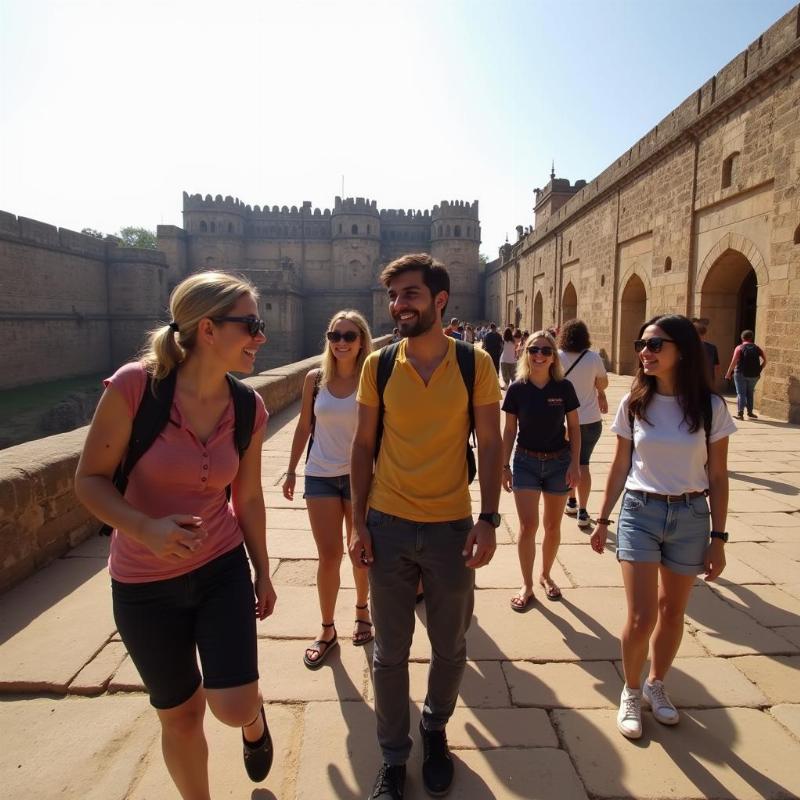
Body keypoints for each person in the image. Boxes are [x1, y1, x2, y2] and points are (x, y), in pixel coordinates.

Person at [74, 271, 276, 798]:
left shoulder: (247, 407)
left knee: (232, 707)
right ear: (208, 329)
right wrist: (144, 528)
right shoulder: (135, 387)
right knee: (181, 716)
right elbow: (88, 480)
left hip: (220, 567)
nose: (261, 336)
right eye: (251, 324)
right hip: (144, 585)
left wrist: (263, 571)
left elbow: (248, 498)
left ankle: (254, 721)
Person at [349, 253, 502, 800]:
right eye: (393, 296)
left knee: (450, 646)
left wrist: (488, 518)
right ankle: (394, 756)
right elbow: (363, 445)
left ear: (440, 299)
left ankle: (434, 728)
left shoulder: (474, 363)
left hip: (450, 527)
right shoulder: (379, 364)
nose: (398, 305)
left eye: (409, 294)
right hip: (387, 524)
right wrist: (358, 523)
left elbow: (490, 442)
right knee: (389, 652)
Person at [590, 314, 736, 740]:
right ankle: (631, 690)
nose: (645, 352)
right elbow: (620, 464)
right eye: (642, 344)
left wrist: (719, 538)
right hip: (640, 511)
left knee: (673, 612)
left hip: (691, 516)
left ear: (682, 350)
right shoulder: (634, 402)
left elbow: (720, 476)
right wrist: (601, 518)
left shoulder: (711, 408)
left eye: (655, 344)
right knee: (641, 616)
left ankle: (657, 683)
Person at [282, 310, 374, 668]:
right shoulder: (315, 378)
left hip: (359, 477)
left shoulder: (372, 378)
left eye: (349, 336)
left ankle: (362, 610)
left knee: (359, 552)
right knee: (329, 556)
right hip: (319, 474)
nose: (340, 342)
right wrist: (290, 470)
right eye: (334, 335)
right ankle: (326, 629)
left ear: (362, 340)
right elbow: (305, 426)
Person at [502, 330, 581, 608]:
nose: (539, 355)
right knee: (528, 526)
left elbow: (574, 428)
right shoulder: (517, 388)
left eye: (546, 351)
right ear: (526, 353)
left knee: (552, 525)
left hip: (559, 462)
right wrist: (504, 464)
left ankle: (546, 575)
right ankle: (527, 584)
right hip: (526, 462)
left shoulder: (564, 388)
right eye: (534, 350)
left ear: (553, 357)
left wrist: (575, 463)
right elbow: (509, 430)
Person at [558, 319, 609, 528]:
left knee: (570, 462)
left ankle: (571, 500)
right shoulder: (593, 358)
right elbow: (603, 382)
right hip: (590, 419)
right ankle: (583, 510)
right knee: (584, 464)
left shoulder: (558, 357)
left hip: (564, 421)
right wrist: (600, 392)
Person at [724, 329, 766, 420]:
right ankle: (750, 412)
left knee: (741, 393)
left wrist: (728, 374)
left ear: (742, 338)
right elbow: (765, 360)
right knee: (750, 392)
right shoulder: (757, 348)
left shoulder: (739, 348)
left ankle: (740, 413)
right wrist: (759, 369)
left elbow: (734, 362)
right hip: (754, 375)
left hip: (740, 373)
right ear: (751, 338)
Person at [692, 319, 720, 387]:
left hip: (692, 380)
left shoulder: (687, 347)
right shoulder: (712, 347)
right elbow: (716, 366)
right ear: (704, 333)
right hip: (708, 380)